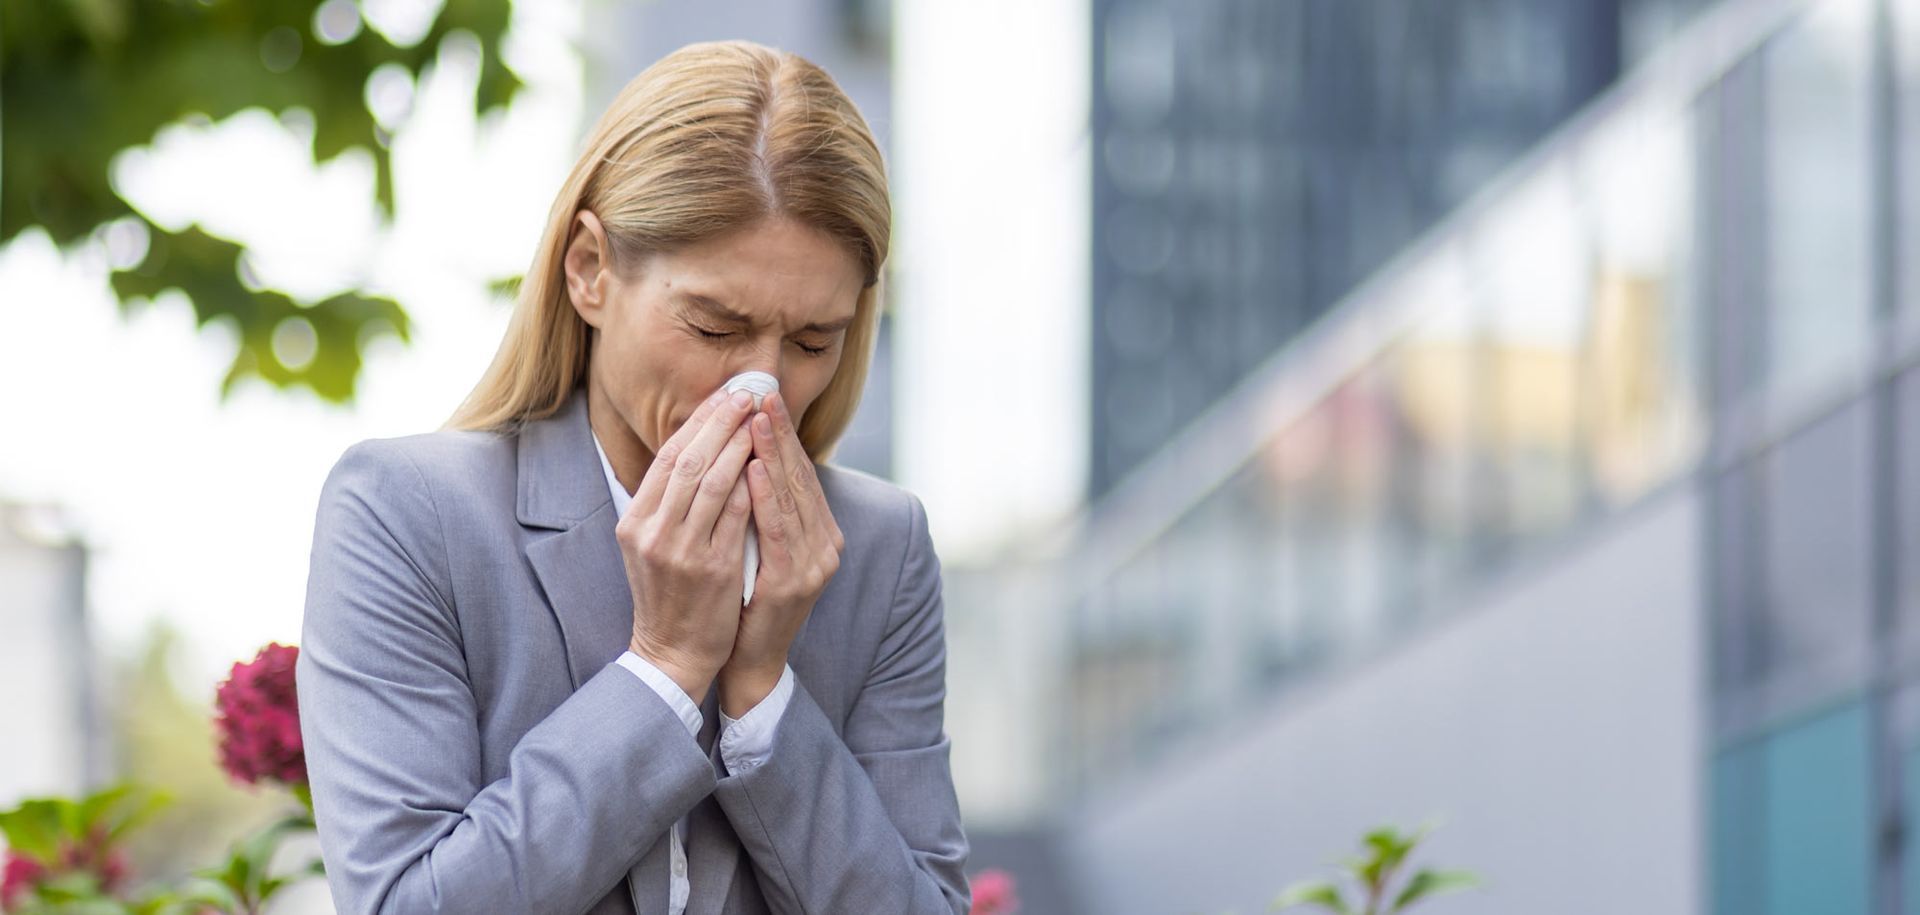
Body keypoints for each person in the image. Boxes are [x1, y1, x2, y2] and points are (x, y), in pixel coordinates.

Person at [295, 39, 971, 915]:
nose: (759, 388)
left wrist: (763, 694)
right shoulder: (408, 513)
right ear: (590, 269)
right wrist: (668, 665)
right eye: (714, 325)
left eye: (812, 342)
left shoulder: (881, 552)